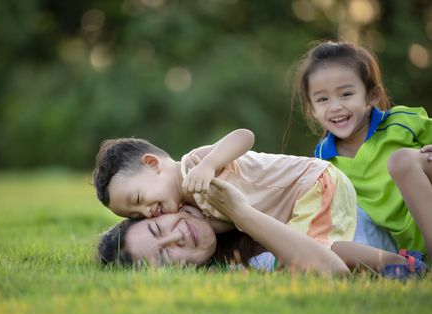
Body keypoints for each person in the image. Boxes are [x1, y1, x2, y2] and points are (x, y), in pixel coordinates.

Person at [98, 178, 427, 279]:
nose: (177, 236)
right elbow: (334, 270)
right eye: (167, 254)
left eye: (160, 230)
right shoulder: (250, 265)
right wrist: (241, 214)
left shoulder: (229, 183)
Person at [93, 128, 358, 248]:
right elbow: (234, 222)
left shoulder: (194, 165)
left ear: (152, 164)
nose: (147, 212)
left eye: (138, 198)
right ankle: (391, 262)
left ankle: (391, 263)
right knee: (316, 248)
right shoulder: (192, 207)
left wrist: (210, 164)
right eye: (137, 215)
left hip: (312, 183)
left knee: (310, 253)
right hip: (296, 206)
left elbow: (245, 136)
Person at [291, 40, 432, 256]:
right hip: (396, 249)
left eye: (346, 94)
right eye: (323, 99)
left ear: (371, 96)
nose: (335, 106)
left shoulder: (402, 123)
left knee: (401, 160)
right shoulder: (324, 163)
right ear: (312, 110)